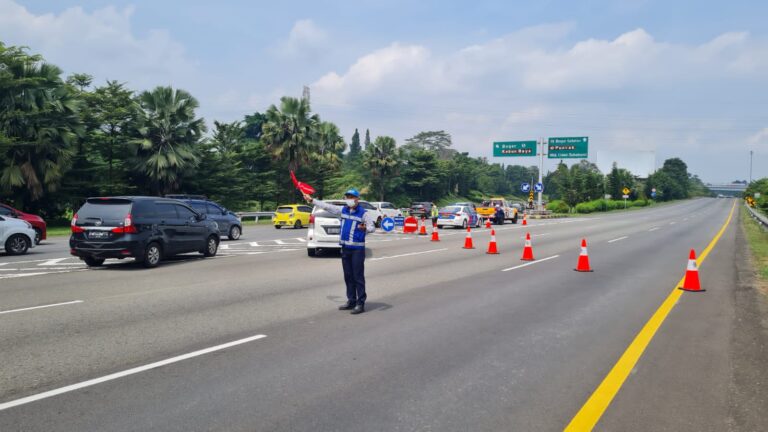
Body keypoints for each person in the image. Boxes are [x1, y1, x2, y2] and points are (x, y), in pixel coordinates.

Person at [303, 188, 376, 315]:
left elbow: (372, 227)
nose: (349, 199)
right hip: (345, 249)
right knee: (348, 276)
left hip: (357, 249)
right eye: (347, 197)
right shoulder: (343, 210)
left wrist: (365, 228)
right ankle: (351, 300)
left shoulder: (364, 213)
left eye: (352, 197)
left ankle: (360, 303)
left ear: (357, 199)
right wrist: (312, 200)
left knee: (357, 277)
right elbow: (327, 206)